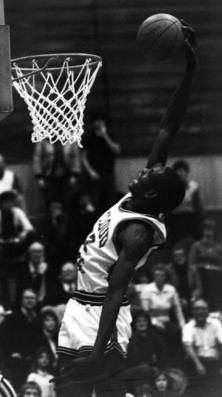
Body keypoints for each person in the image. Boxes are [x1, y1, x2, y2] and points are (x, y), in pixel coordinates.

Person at [53, 23, 197, 397]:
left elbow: (116, 290)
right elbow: (168, 128)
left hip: (104, 313)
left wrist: (99, 352)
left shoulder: (138, 231)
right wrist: (190, 68)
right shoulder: (143, 196)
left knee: (99, 389)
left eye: (151, 174)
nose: (146, 169)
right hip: (79, 305)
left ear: (152, 197)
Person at [182, 299, 222, 397]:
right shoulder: (188, 327)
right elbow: (188, 346)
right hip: (197, 362)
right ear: (193, 311)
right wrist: (198, 364)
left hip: (215, 361)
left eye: (203, 309)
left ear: (208, 311)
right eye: (197, 309)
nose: (200, 312)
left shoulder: (216, 323)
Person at [82, 115, 121, 214]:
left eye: (101, 121)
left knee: (110, 200)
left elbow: (117, 150)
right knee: (95, 202)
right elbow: (83, 157)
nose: (99, 124)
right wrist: (90, 171)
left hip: (109, 172)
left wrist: (105, 136)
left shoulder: (110, 135)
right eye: (97, 121)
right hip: (95, 174)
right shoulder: (88, 137)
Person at [167, 159, 204, 244]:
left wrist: (202, 219)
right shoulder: (169, 187)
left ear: (187, 173)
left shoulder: (193, 186)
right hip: (174, 220)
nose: (180, 173)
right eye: (178, 171)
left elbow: (197, 206)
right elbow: (167, 207)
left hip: (190, 219)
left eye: (183, 170)